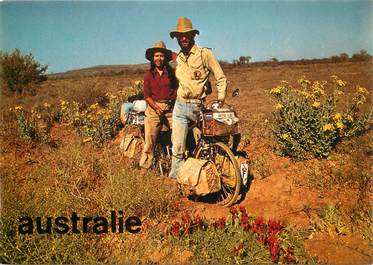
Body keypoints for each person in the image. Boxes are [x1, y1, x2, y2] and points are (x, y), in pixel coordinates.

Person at [168, 16, 227, 178]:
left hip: (198, 106)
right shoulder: (179, 58)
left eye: (187, 35)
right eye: (180, 36)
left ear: (193, 35)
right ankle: (176, 181)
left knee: (204, 145)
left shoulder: (204, 54)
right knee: (178, 147)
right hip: (180, 107)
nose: (184, 38)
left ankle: (204, 177)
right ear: (177, 38)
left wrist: (221, 98)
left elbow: (220, 77)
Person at [139, 40, 178, 169]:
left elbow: (176, 91)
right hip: (153, 109)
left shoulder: (172, 74)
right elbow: (147, 96)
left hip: (170, 109)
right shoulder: (148, 76)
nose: (159, 58)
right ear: (152, 58)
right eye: (156, 56)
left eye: (161, 56)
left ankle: (177, 166)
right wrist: (156, 108)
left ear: (165, 58)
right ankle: (145, 167)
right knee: (150, 141)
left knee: (178, 137)